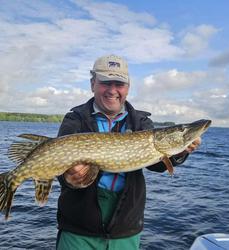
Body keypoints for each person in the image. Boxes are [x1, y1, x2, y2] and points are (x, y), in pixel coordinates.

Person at [56, 55, 201, 250]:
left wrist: (180, 152)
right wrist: (69, 178)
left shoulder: (140, 122)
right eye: (105, 83)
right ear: (93, 84)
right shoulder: (75, 119)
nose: (112, 90)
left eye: (119, 84)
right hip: (79, 227)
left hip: (124, 226)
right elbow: (58, 166)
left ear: (128, 87)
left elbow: (157, 164)